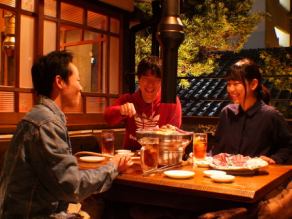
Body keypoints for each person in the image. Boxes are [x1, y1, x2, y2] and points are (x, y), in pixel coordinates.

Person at [0, 50, 131, 218]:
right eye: (78, 80)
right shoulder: (47, 123)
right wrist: (113, 166)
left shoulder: (42, 116)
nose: (81, 87)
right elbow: (72, 186)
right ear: (59, 82)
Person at [213, 58, 292, 164]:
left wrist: (274, 159)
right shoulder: (227, 113)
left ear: (253, 84)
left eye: (236, 84)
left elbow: (287, 147)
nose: (231, 89)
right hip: (227, 177)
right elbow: (217, 147)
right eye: (229, 84)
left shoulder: (270, 115)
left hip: (259, 178)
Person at [104, 56, 182, 151]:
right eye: (146, 78)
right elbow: (108, 117)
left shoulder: (171, 102)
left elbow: (175, 136)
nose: (150, 84)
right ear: (139, 79)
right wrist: (120, 110)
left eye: (156, 80)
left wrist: (169, 131)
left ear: (162, 81)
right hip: (131, 158)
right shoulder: (129, 99)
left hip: (159, 157)